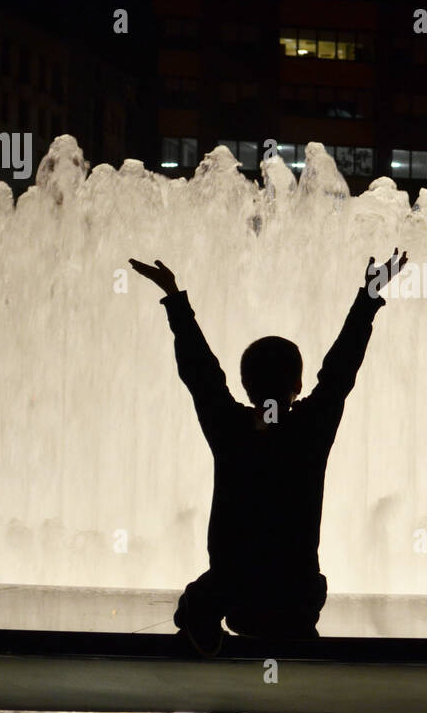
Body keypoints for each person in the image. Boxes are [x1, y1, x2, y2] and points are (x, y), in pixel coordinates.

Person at [130, 250, 408, 655]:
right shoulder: (311, 428)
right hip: (295, 596)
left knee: (213, 587)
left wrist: (175, 300)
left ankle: (198, 613)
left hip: (235, 594)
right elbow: (339, 371)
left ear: (243, 385)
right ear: (297, 383)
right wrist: (368, 297)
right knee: (294, 585)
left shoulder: (229, 427)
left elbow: (201, 374)